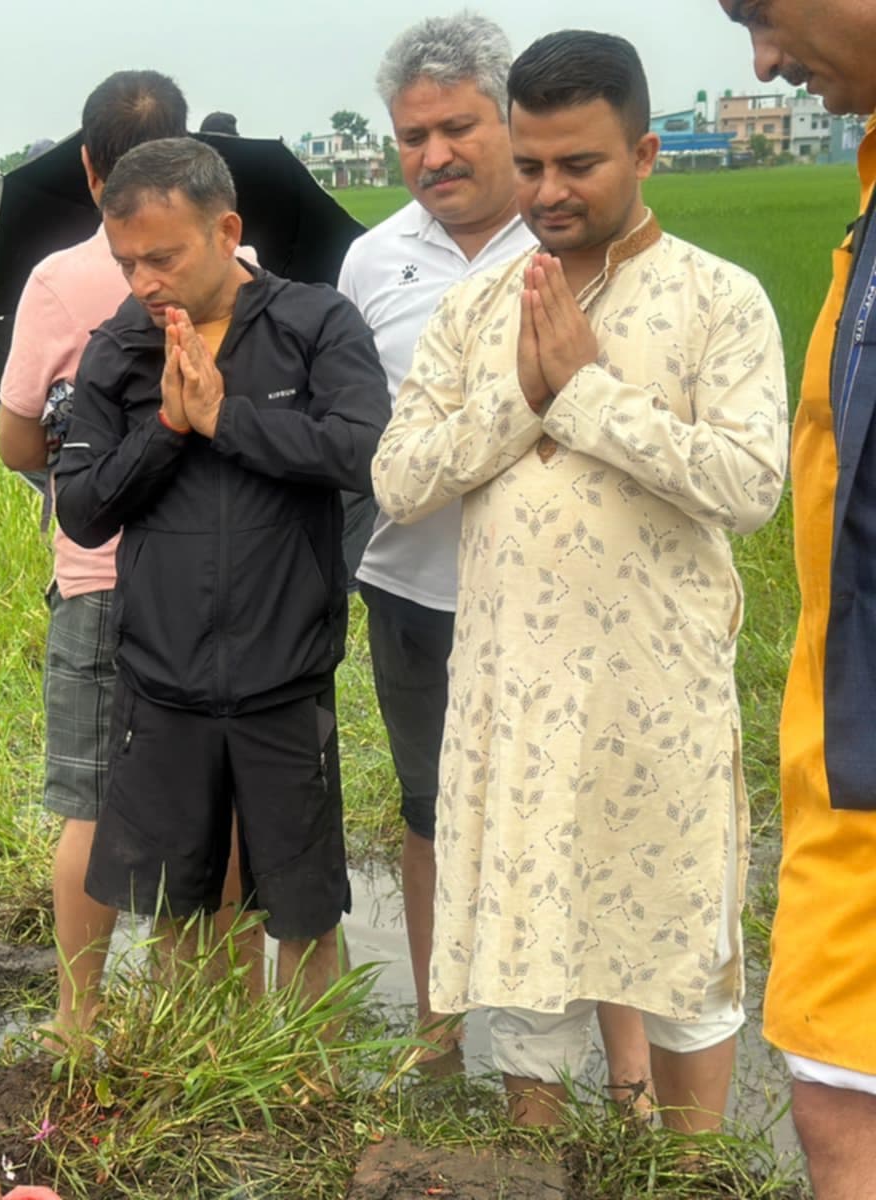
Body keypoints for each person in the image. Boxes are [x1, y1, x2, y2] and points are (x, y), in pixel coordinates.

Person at [372, 30, 788, 1132]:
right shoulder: (477, 310)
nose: (548, 190)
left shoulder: (719, 299)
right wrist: (520, 394)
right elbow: (398, 479)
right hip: (512, 700)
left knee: (679, 955)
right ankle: (538, 1169)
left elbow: (749, 484)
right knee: (527, 961)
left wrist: (590, 397)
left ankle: (686, 1176)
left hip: (658, 700)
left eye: (579, 164)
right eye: (531, 164)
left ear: (644, 153)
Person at [342, 12, 650, 1095]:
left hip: (568, 592)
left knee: (592, 810)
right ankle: (437, 1036)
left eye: (459, 128)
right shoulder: (371, 260)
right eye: (411, 135)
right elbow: (366, 436)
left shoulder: (570, 237)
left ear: (507, 122)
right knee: (433, 810)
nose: (435, 155)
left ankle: (626, 1065)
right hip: (414, 587)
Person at [55, 137, 390, 1003]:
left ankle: (309, 1066)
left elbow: (362, 450)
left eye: (162, 258)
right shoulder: (119, 348)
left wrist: (224, 421)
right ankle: (204, 1056)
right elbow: (82, 508)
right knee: (179, 903)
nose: (143, 282)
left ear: (226, 231)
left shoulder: (313, 323)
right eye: (126, 262)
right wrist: (167, 429)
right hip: (162, 679)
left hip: (286, 674)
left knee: (305, 910)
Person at [0, 70, 236, 1037]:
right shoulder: (236, 263)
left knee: (91, 803)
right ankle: (204, 1012)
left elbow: (17, 442)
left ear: (90, 168)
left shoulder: (59, 280)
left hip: (98, 579)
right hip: (215, 573)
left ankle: (78, 1016)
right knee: (209, 798)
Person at [717, 1, 876, 1193]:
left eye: (761, 12)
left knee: (842, 1107)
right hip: (842, 748)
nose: (765, 62)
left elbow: (741, 481)